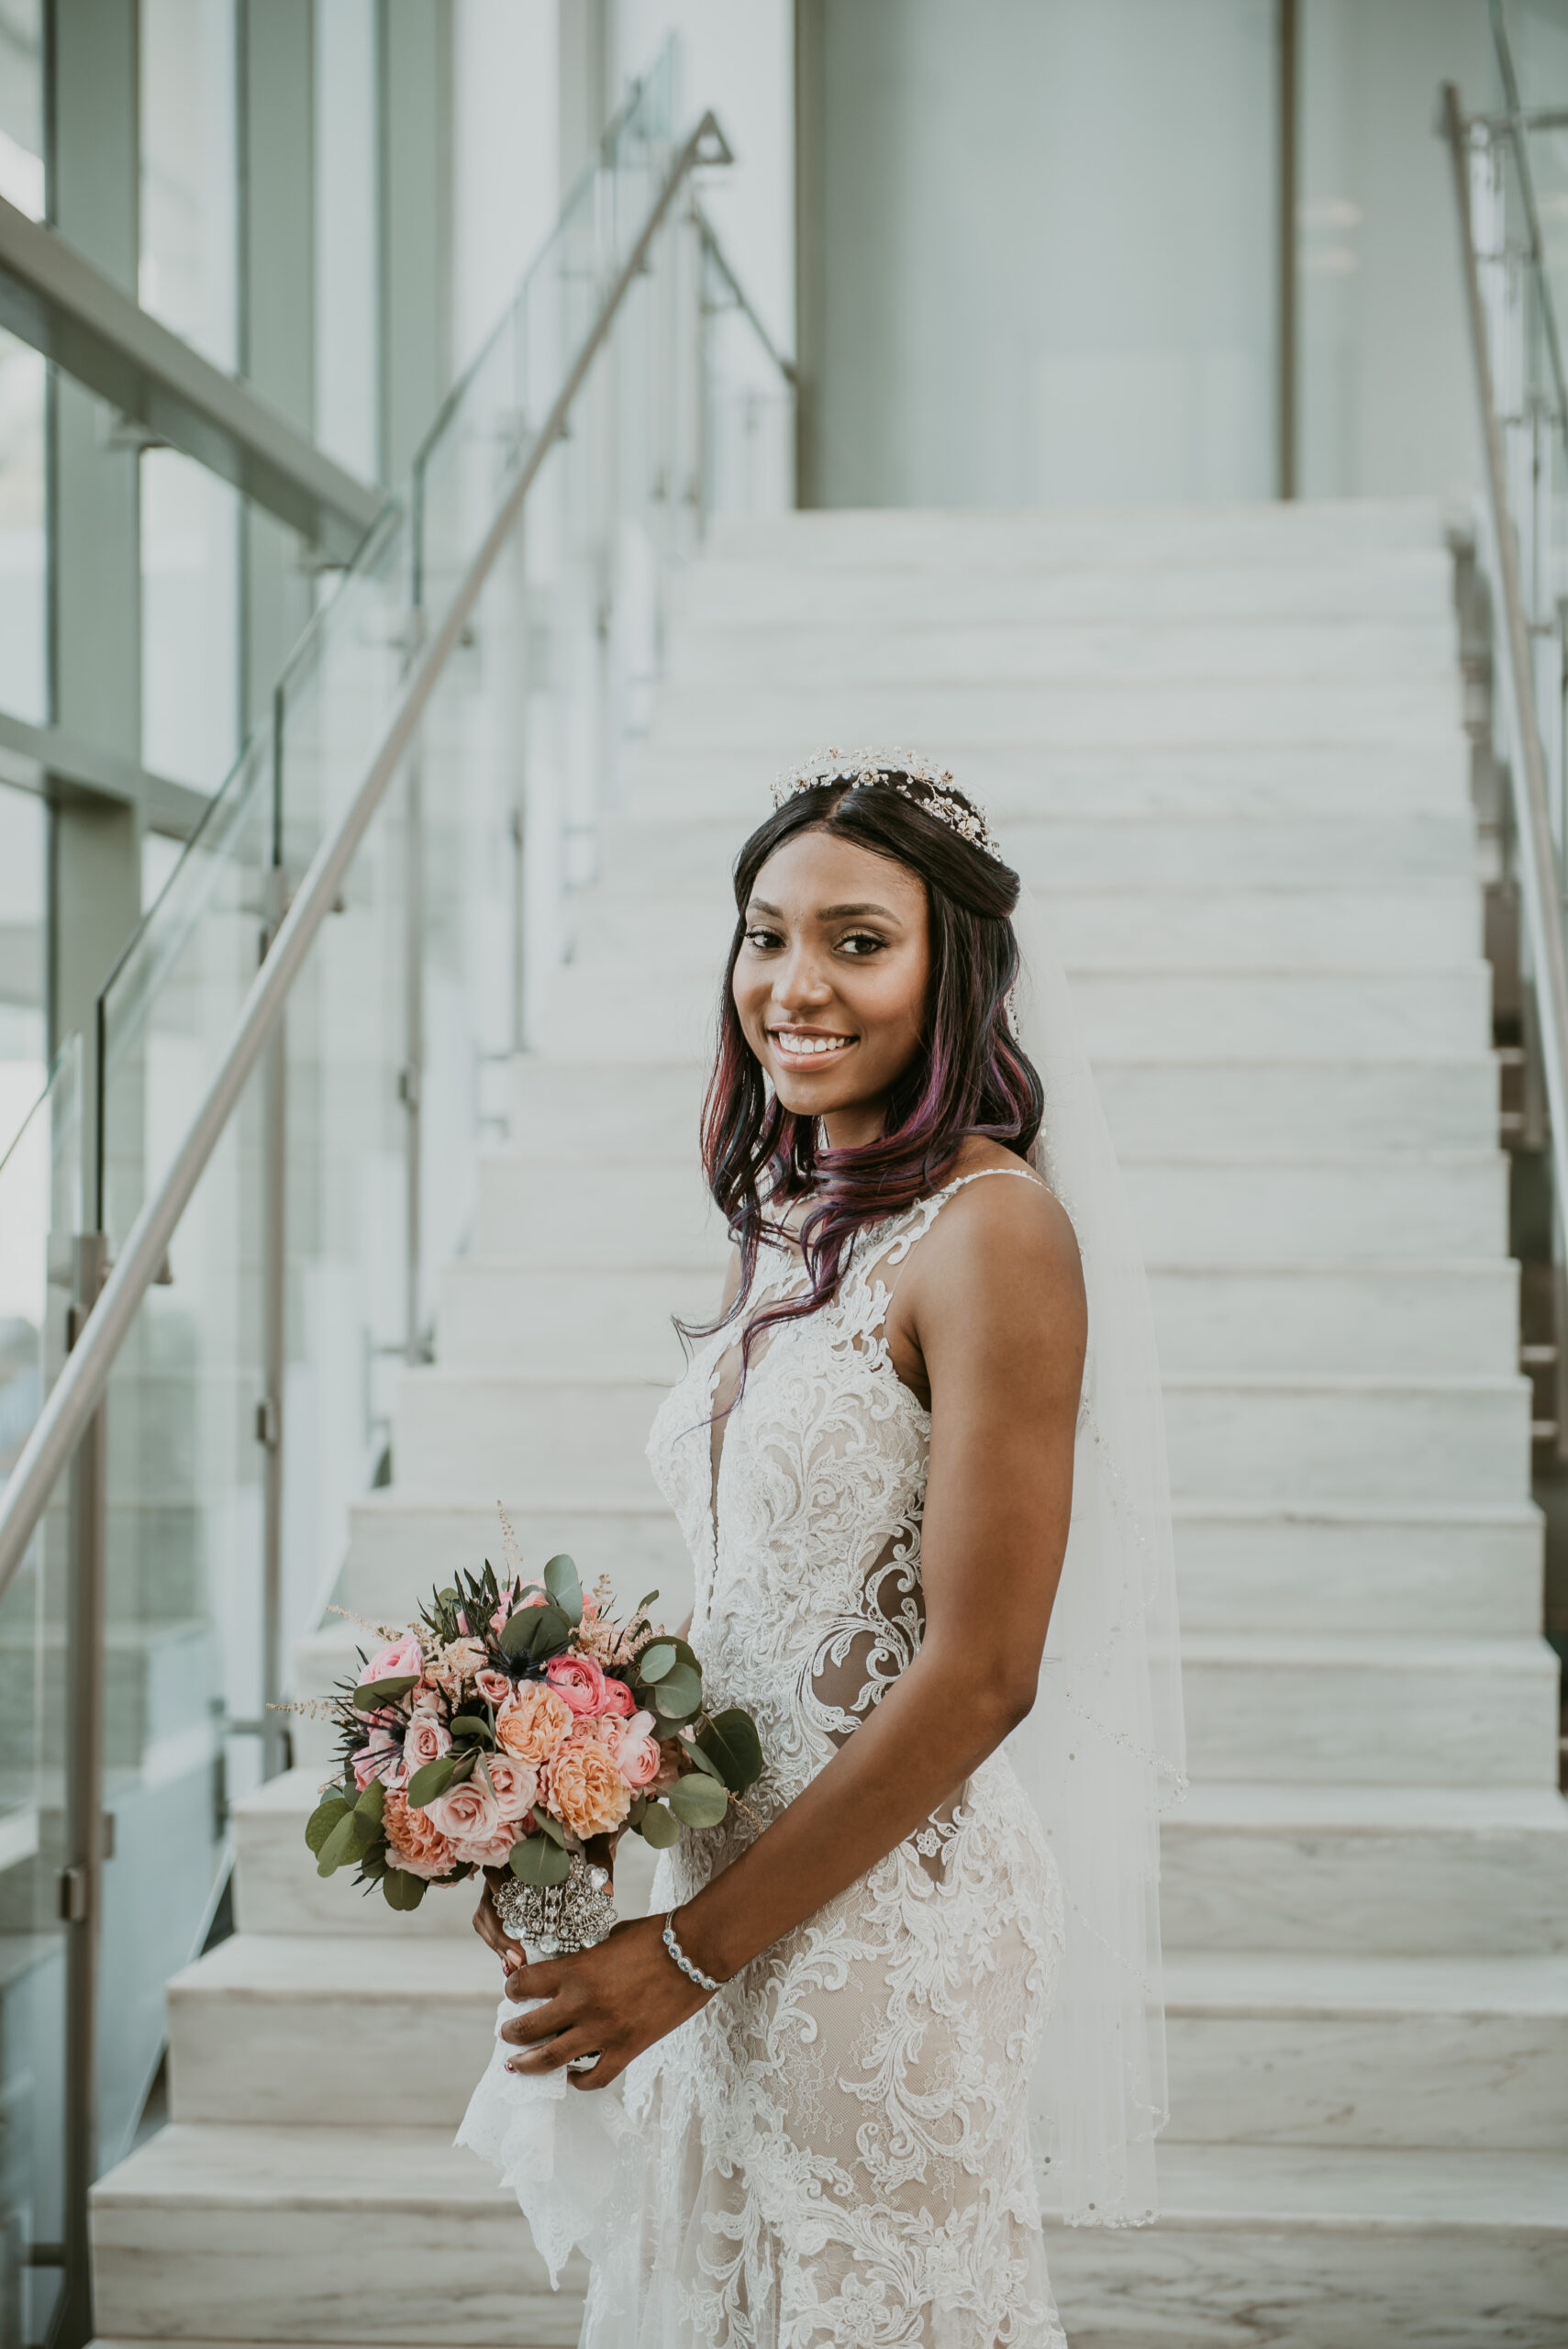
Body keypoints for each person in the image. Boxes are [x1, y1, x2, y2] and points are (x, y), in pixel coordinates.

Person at [473, 751, 1183, 2349]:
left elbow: (984, 1672)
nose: (793, 984)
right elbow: (769, 1603)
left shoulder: (994, 1232)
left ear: (952, 972)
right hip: (718, 1882)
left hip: (884, 1923)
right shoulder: (807, 1219)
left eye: (857, 941)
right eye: (762, 933)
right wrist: (559, 1783)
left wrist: (689, 1957)